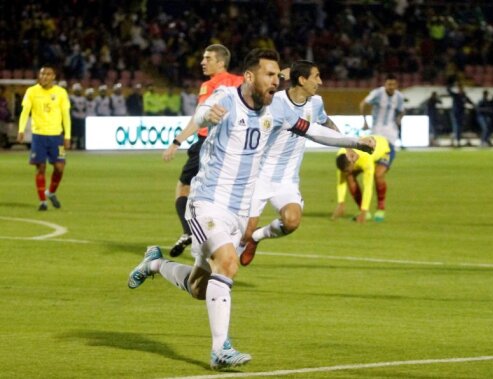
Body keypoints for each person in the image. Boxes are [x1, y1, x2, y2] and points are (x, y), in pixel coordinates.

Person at [127, 49, 374, 370]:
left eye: (277, 75)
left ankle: (155, 264)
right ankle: (220, 350)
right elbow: (203, 113)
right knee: (228, 264)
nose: (276, 81)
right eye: (270, 75)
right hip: (206, 203)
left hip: (238, 209)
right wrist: (180, 138)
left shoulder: (279, 112)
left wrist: (354, 142)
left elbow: (313, 130)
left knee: (199, 288)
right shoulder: (227, 98)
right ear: (249, 77)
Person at [238, 60, 364, 267]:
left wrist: (347, 147)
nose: (321, 82)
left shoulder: (316, 103)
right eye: (316, 77)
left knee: (292, 221)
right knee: (243, 233)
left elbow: (325, 123)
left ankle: (257, 238)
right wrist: (276, 78)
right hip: (258, 177)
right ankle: (220, 273)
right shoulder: (274, 101)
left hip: (287, 179)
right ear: (302, 79)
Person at [162, 44, 243, 258]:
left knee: (184, 188)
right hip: (232, 147)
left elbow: (200, 118)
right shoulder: (240, 81)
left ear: (221, 62)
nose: (202, 62)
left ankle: (189, 232)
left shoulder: (210, 85)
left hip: (206, 143)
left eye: (208, 58)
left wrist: (177, 141)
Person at [17, 65, 71, 211]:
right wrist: (21, 129)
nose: (45, 77)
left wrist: (67, 135)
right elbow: (25, 111)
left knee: (59, 167)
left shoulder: (61, 93)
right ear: (39, 76)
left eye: (48, 74)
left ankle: (51, 192)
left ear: (54, 77)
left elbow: (66, 115)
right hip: (39, 135)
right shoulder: (32, 92)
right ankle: (43, 202)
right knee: (40, 167)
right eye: (42, 74)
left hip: (56, 136)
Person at [331, 135, 393, 223]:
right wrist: (341, 203)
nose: (347, 172)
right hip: (366, 152)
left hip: (385, 149)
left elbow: (368, 186)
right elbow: (341, 182)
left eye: (349, 170)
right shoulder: (342, 157)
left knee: (378, 175)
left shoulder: (365, 158)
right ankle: (364, 212)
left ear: (352, 162)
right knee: (349, 177)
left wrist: (364, 210)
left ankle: (380, 209)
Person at [359, 74, 405, 148]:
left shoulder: (399, 96)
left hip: (391, 127)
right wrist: (365, 122)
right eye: (389, 84)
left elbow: (402, 110)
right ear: (385, 84)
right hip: (377, 127)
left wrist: (399, 120)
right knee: (376, 148)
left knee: (390, 149)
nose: (391, 87)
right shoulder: (377, 93)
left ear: (396, 85)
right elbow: (363, 104)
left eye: (393, 84)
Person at [446, 81, 474, 147]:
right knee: (457, 127)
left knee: (459, 128)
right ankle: (457, 142)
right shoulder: (456, 95)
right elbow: (448, 90)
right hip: (455, 114)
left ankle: (456, 141)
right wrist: (452, 84)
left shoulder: (464, 96)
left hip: (461, 114)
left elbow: (470, 102)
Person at [69, 83, 87, 150]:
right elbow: (71, 107)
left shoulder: (83, 98)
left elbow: (85, 107)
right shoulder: (71, 98)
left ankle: (81, 144)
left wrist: (82, 110)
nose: (77, 91)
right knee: (75, 132)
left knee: (81, 132)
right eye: (76, 90)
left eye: (78, 90)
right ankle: (74, 144)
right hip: (75, 117)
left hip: (82, 117)